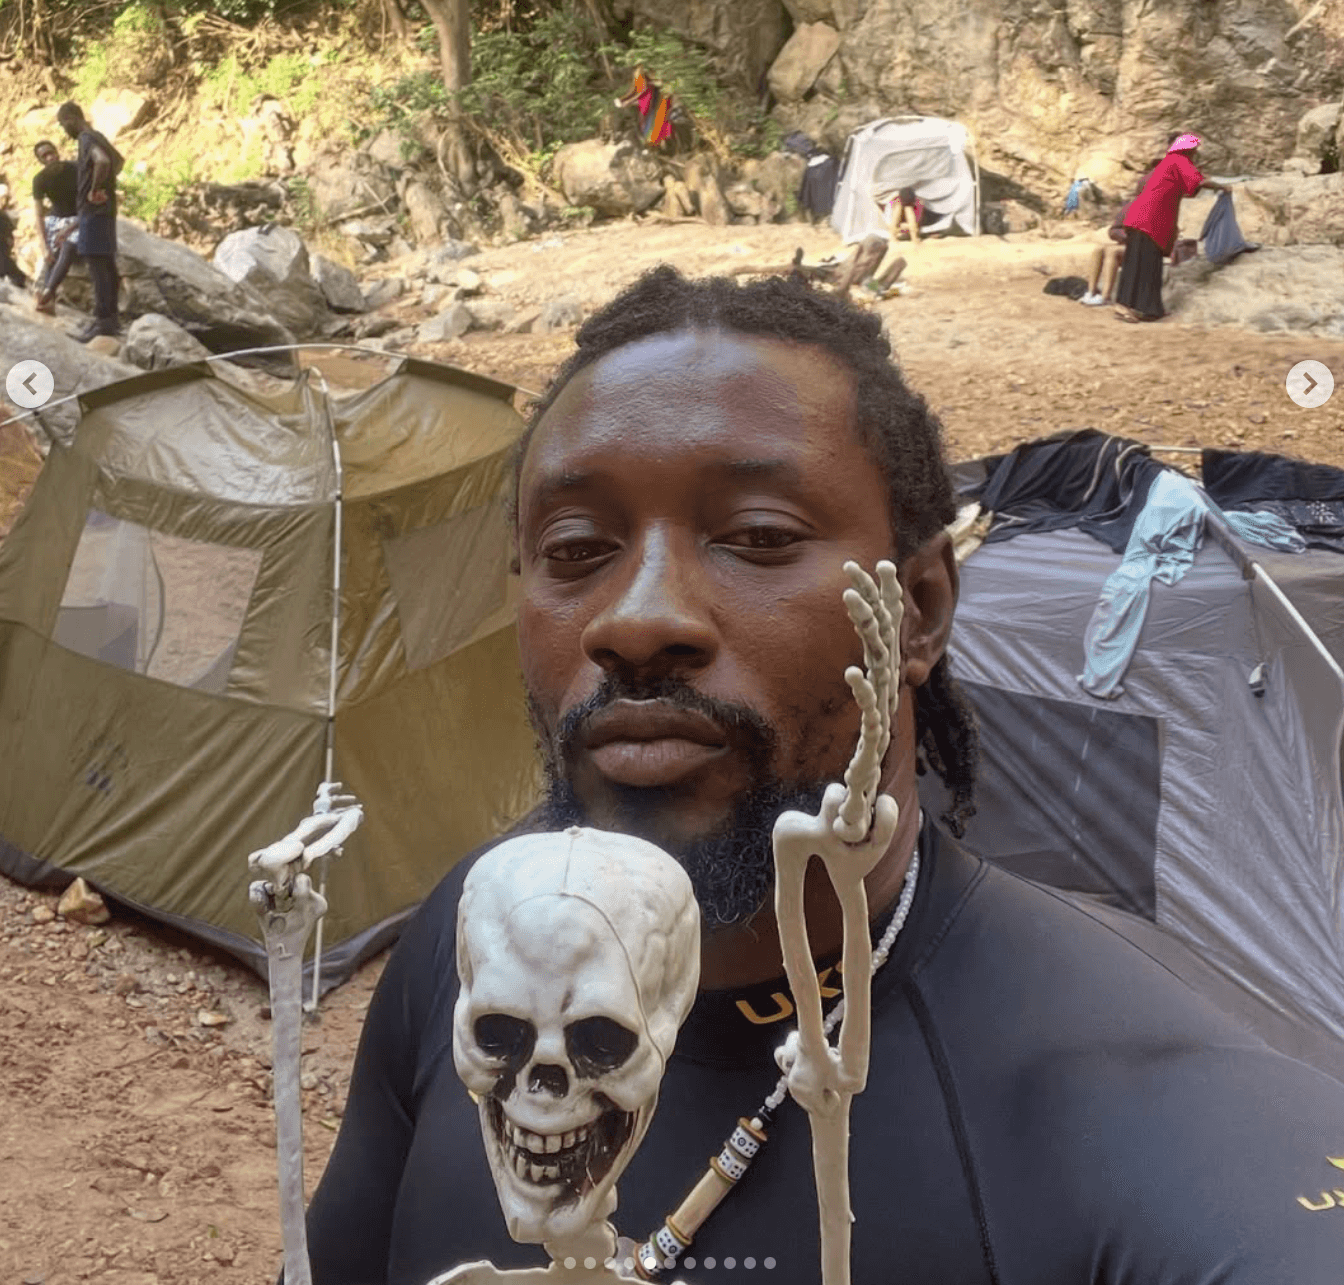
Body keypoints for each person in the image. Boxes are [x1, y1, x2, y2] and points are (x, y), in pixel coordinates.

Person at [304, 268, 1342, 1285]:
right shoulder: (463, 938)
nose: (636, 618)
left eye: (757, 536)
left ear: (922, 606)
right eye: (577, 547)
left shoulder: (1149, 1098)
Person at [1113, 134, 1229, 323]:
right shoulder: (1178, 160)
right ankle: (1124, 305)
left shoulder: (1169, 163)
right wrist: (1223, 187)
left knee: (1150, 264)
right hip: (1148, 220)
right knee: (1139, 264)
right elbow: (1198, 182)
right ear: (1188, 150)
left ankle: (1149, 309)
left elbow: (1189, 190)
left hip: (1148, 220)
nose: (1195, 154)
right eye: (1194, 150)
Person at [58, 100, 123, 341]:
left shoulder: (86, 138)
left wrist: (94, 189)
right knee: (107, 264)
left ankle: (102, 321)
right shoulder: (99, 136)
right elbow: (118, 162)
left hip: (93, 213)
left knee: (97, 266)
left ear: (71, 119)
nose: (64, 131)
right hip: (105, 211)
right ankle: (111, 320)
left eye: (63, 124)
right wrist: (106, 187)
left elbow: (104, 162)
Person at [31, 138, 80, 313]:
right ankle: (48, 301)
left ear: (57, 152)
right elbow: (37, 214)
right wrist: (44, 247)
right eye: (45, 156)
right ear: (41, 161)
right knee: (51, 254)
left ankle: (47, 292)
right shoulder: (39, 180)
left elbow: (90, 203)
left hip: (79, 218)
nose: (50, 157)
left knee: (68, 245)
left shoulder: (75, 169)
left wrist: (69, 228)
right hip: (56, 218)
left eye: (52, 152)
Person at [0, 179, 29, 290]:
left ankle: (18, 279)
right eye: (2, 198)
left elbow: (10, 230)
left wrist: (9, 239)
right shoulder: (3, 215)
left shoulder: (4, 215)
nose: (3, 202)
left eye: (5, 199)